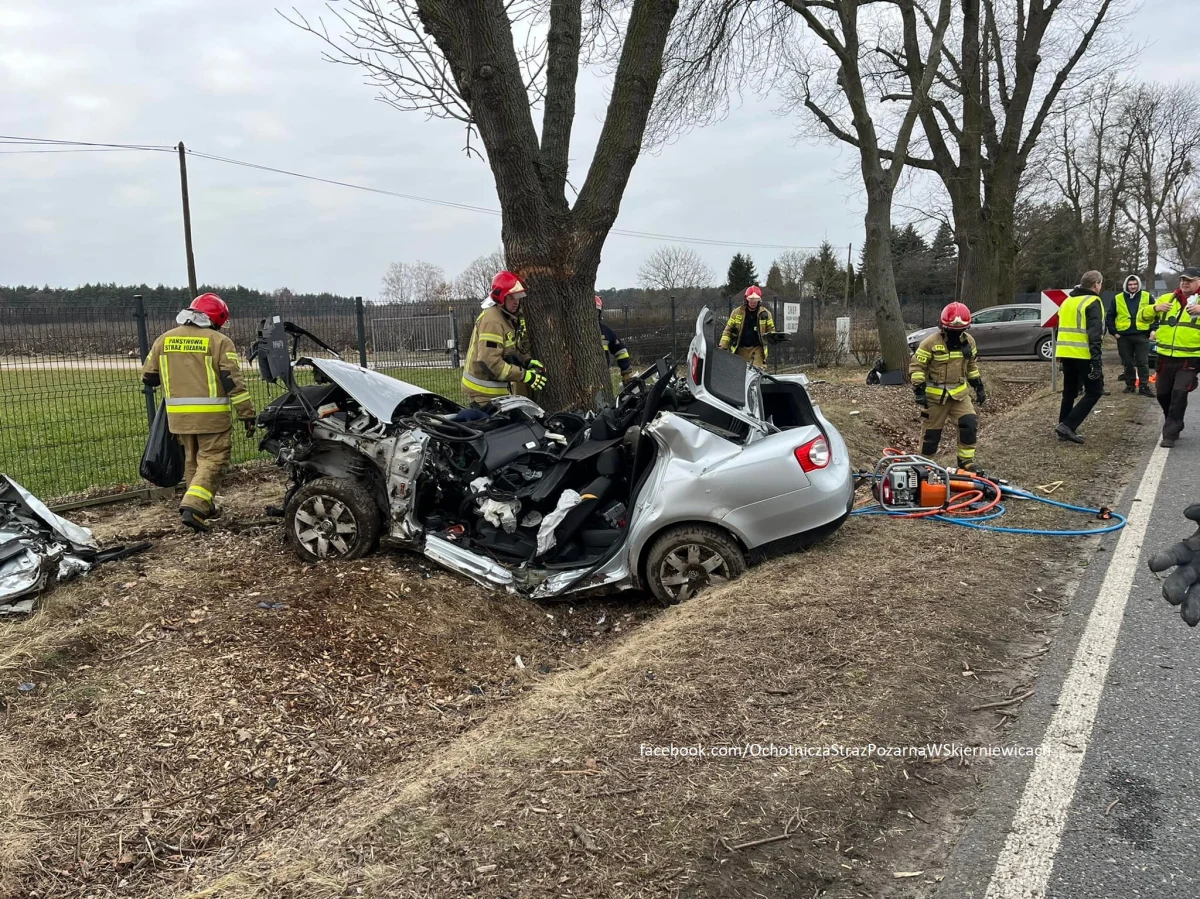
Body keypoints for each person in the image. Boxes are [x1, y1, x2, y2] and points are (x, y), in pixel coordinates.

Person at [141, 293, 256, 533]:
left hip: (178, 418)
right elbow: (232, 382)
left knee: (193, 460)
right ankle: (194, 505)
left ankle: (201, 506)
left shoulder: (164, 339)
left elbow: (148, 377)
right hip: (211, 417)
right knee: (213, 459)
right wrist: (246, 413)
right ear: (217, 319)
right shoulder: (220, 342)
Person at [909, 302, 986, 470]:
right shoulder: (930, 343)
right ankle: (925, 465)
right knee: (931, 435)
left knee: (969, 423)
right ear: (943, 327)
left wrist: (978, 386)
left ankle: (966, 462)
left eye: (960, 330)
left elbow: (971, 367)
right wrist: (919, 389)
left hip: (959, 396)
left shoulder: (969, 342)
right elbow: (916, 367)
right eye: (953, 330)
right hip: (934, 398)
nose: (956, 333)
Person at [461, 270, 547, 406]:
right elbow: (491, 363)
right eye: (512, 297)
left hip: (497, 391)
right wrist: (526, 376)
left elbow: (512, 349)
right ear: (500, 298)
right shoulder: (493, 321)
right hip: (483, 393)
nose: (516, 302)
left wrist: (527, 361)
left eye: (518, 297)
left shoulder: (507, 318)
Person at [1138, 266, 1200, 448]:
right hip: (1165, 356)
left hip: (1191, 357)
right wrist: (1155, 308)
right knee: (1163, 394)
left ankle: (1170, 433)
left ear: (1198, 282)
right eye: (1183, 280)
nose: (1185, 283)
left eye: (1189, 280)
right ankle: (1174, 421)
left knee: (1179, 392)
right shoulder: (1167, 298)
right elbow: (1141, 317)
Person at [1054, 271, 1105, 444]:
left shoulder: (1067, 301)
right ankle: (1068, 426)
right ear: (1096, 284)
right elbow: (1095, 334)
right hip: (1084, 354)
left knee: (1069, 392)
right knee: (1095, 391)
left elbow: (1059, 328)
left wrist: (1059, 355)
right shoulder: (1093, 301)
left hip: (1066, 353)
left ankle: (1063, 427)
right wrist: (1096, 362)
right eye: (1100, 284)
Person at [1106, 273, 1154, 395]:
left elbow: (1156, 315)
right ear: (1126, 285)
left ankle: (1143, 387)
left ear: (1139, 285)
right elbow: (1110, 316)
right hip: (1123, 336)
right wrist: (1114, 332)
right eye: (1130, 284)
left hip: (1142, 335)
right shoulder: (1118, 298)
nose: (1133, 286)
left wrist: (1153, 330)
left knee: (1142, 362)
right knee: (1127, 363)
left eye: (1135, 284)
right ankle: (1130, 386)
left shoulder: (1147, 297)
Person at [719, 285, 776, 367]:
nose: (753, 302)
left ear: (759, 300)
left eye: (756, 300)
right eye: (751, 300)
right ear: (746, 299)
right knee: (740, 374)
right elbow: (728, 330)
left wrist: (774, 337)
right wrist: (723, 346)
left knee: (757, 373)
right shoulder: (736, 313)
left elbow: (771, 329)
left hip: (757, 350)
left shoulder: (765, 314)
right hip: (740, 350)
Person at [595, 296, 634, 384]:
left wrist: (626, 371)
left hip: (602, 375)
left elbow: (621, 351)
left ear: (599, 313)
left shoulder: (605, 331)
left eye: (596, 311)